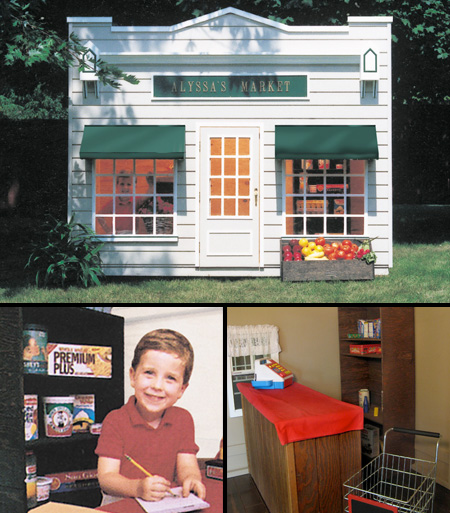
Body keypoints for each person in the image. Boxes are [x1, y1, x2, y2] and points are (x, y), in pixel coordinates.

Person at [95, 329, 206, 505]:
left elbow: (187, 466)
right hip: (120, 503)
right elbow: (107, 479)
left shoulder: (183, 419)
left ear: (181, 389)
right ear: (133, 376)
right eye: (149, 373)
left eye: (170, 378)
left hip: (162, 504)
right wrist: (138, 488)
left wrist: (191, 479)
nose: (157, 386)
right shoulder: (115, 420)